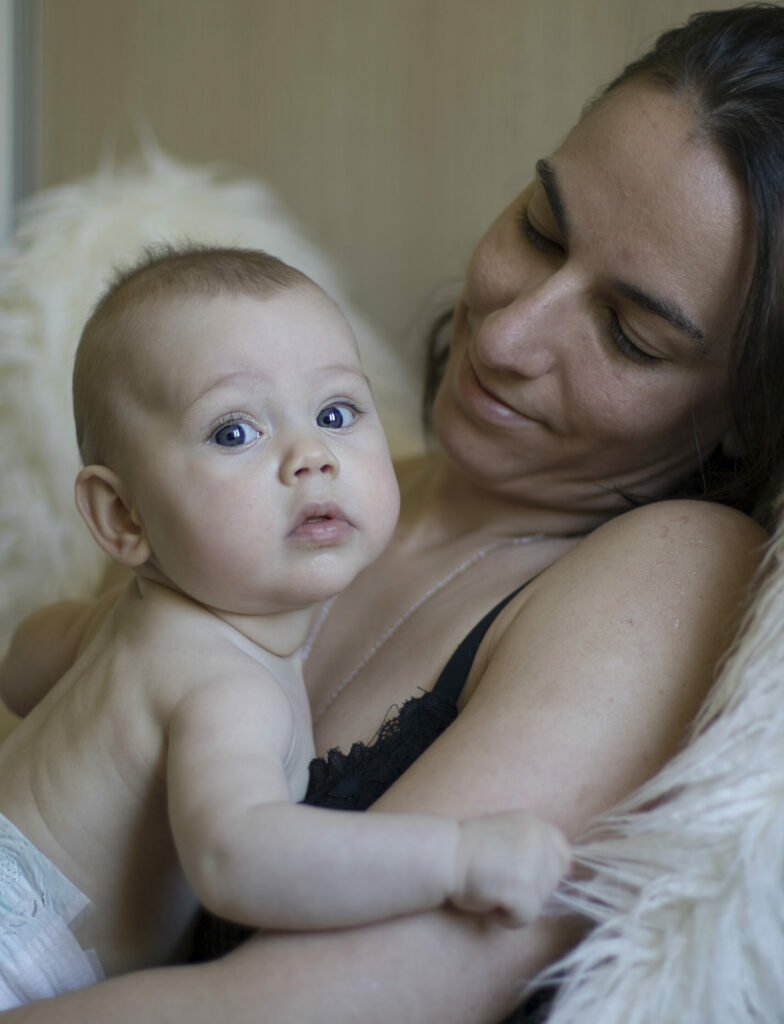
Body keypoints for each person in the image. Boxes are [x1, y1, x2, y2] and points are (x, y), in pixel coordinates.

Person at [0, 4, 780, 1021]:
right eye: (540, 230)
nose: (505, 333)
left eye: (629, 335)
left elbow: (305, 1008)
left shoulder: (674, 572)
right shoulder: (245, 481)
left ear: (740, 416)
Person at [0, 246, 570, 1007]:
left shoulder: (130, 621)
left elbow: (24, 660)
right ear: (122, 515)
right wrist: (457, 856)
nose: (311, 457)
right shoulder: (225, 686)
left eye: (336, 414)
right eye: (234, 432)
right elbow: (237, 859)